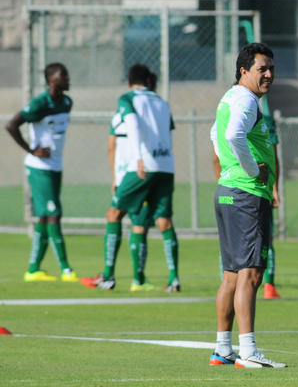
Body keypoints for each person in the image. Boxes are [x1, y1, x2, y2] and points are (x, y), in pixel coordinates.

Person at [208, 43, 286, 368]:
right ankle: (248, 351)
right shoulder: (246, 99)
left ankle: (223, 348)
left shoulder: (230, 97)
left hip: (229, 191)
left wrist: (228, 169)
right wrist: (253, 170)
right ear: (244, 71)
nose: (268, 74)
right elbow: (232, 135)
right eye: (261, 69)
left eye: (271, 68)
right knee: (251, 273)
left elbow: (215, 135)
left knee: (231, 274)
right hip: (246, 194)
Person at [81, 64, 180, 292]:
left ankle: (108, 276)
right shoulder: (162, 102)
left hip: (142, 166)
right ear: (149, 80)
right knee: (164, 220)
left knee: (114, 214)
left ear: (128, 82)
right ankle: (173, 279)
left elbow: (132, 125)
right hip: (166, 165)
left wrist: (138, 158)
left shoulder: (127, 99)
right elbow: (168, 135)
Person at [6, 62, 77, 282]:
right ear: (51, 80)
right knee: (54, 214)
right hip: (39, 168)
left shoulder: (67, 103)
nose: (68, 79)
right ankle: (66, 269)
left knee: (45, 217)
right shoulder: (40, 103)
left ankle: (33, 268)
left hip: (55, 167)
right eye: (64, 76)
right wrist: (32, 150)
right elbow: (11, 125)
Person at [107, 72, 159, 291]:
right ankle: (135, 278)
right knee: (137, 224)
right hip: (140, 172)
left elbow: (111, 147)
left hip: (126, 174)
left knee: (122, 217)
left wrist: (114, 176)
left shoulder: (119, 115)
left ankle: (111, 274)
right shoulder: (151, 114)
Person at [260, 96, 282, 299]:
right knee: (266, 237)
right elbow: (273, 157)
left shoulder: (226, 111)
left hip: (236, 187)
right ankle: (269, 285)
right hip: (259, 186)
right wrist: (275, 188)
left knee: (233, 239)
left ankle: (268, 285)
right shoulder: (264, 118)